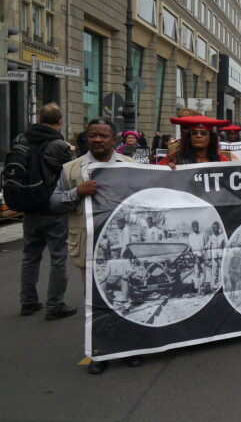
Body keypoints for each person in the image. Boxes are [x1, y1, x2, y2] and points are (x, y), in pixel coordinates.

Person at [50, 118, 138, 374]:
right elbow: (54, 203)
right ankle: (100, 351)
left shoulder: (132, 167)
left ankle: (131, 348)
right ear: (86, 138)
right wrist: (76, 192)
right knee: (97, 300)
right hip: (90, 247)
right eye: (93, 135)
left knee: (128, 297)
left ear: (115, 140)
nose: (97, 140)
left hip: (125, 248)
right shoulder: (71, 169)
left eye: (103, 135)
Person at [15, 103, 76, 320]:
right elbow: (69, 177)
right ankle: (55, 305)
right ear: (60, 121)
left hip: (30, 207)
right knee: (58, 257)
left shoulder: (22, 139)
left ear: (40, 119)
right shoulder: (60, 145)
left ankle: (28, 302)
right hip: (53, 209)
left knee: (30, 256)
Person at [158, 115, 231, 167]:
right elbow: (155, 174)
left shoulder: (221, 160)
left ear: (211, 137)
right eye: (194, 133)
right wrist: (167, 169)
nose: (198, 136)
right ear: (189, 137)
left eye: (203, 133)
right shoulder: (174, 158)